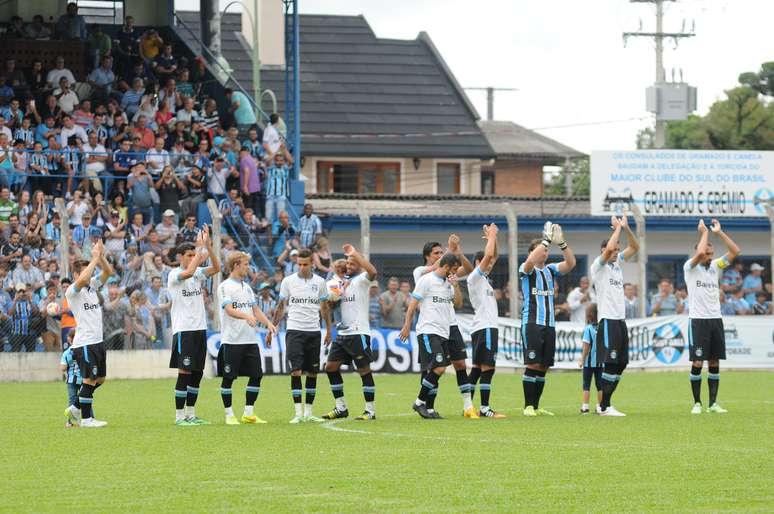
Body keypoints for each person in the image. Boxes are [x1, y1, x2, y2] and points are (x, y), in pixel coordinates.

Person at [412, 235, 477, 418]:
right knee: (433, 368)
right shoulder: (421, 272)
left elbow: (470, 269)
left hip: (450, 324)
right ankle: (428, 406)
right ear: (427, 256)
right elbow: (438, 266)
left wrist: (458, 251)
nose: (440, 255)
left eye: (442, 252)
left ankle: (468, 406)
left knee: (460, 364)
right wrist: (450, 250)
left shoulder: (449, 275)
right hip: (431, 325)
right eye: (436, 253)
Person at [268, 248, 332, 424]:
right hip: (294, 330)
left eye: (305, 264)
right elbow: (281, 306)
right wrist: (272, 327)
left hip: (313, 331)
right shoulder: (288, 281)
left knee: (312, 372)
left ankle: (309, 412)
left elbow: (325, 307)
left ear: (312, 263)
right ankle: (298, 413)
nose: (302, 267)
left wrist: (328, 329)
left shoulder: (320, 282)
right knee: (296, 371)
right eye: (299, 264)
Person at [519, 222, 576, 417]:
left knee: (543, 366)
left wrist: (562, 244)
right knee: (533, 364)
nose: (544, 251)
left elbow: (571, 264)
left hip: (549, 324)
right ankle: (527, 406)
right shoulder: (527, 270)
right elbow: (530, 260)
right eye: (540, 250)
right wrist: (545, 240)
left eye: (545, 249)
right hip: (532, 323)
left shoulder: (550, 270)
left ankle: (536, 406)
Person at [684, 219, 740, 414]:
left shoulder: (716, 266)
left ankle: (713, 404)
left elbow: (735, 252)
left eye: (711, 253)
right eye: (707, 254)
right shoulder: (690, 267)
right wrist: (704, 232)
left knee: (714, 362)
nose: (709, 256)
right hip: (698, 321)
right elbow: (699, 253)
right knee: (698, 362)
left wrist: (719, 233)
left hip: (715, 319)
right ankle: (697, 403)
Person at [216, 252, 277, 425]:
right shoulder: (225, 286)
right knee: (228, 379)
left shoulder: (247, 287)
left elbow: (255, 310)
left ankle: (248, 413)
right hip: (232, 340)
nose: (247, 268)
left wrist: (268, 324)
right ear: (236, 265)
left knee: (256, 375)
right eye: (245, 264)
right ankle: (229, 415)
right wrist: (246, 316)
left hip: (250, 340)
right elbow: (228, 309)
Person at [400, 252, 462, 419]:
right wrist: (406, 326)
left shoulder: (448, 284)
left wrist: (455, 285)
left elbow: (458, 304)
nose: (455, 273)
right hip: (428, 331)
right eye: (454, 270)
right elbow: (412, 305)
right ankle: (420, 402)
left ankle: (427, 407)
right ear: (446, 266)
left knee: (435, 370)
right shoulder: (426, 280)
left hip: (444, 332)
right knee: (439, 368)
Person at [167, 228, 220, 425]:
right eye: (188, 255)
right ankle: (179, 416)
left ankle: (191, 414)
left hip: (199, 329)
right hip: (184, 330)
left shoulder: (198, 273)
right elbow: (189, 271)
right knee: (185, 372)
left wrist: (209, 248)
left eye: (193, 254)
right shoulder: (174, 274)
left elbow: (216, 268)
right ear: (180, 257)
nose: (192, 258)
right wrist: (200, 249)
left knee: (197, 373)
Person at [321, 244, 378, 421]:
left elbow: (373, 271)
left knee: (364, 370)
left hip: (358, 332)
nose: (349, 265)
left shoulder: (362, 280)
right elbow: (330, 305)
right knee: (330, 368)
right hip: (342, 334)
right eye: (347, 262)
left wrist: (356, 254)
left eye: (353, 263)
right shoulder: (339, 284)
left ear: (359, 265)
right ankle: (341, 407)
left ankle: (370, 410)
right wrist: (330, 302)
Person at [590, 215, 640, 417]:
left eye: (618, 251)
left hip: (620, 320)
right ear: (602, 251)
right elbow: (610, 248)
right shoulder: (598, 266)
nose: (615, 253)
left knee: (622, 362)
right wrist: (617, 228)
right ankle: (604, 406)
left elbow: (635, 247)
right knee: (610, 362)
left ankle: (606, 404)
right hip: (608, 319)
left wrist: (626, 228)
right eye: (612, 250)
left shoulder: (617, 264)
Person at [63, 240, 114, 428]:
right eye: (87, 270)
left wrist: (100, 258)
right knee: (89, 380)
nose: (91, 273)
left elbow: (108, 272)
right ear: (76, 274)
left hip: (97, 341)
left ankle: (75, 407)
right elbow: (83, 279)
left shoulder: (92, 286)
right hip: (84, 343)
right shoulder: (72, 291)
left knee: (99, 380)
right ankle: (86, 420)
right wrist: (93, 259)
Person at [466, 223, 505, 418]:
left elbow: (493, 255)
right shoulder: (475, 277)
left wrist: (493, 239)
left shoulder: (483, 280)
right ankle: (484, 408)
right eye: (486, 263)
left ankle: (468, 407)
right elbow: (490, 256)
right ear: (478, 263)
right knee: (488, 368)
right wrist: (491, 236)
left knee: (476, 369)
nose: (490, 264)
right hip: (486, 328)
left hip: (482, 328)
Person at [578, 303, 602, 414]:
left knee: (586, 384)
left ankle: (585, 407)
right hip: (601, 362)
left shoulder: (588, 329)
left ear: (589, 315)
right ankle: (600, 406)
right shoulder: (603, 327)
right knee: (600, 385)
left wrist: (582, 359)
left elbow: (586, 346)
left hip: (588, 362)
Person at [60, 337, 82, 427]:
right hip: (83, 379)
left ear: (69, 339)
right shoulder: (83, 351)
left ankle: (69, 422)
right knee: (85, 399)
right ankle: (88, 418)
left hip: (71, 380)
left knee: (72, 400)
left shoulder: (67, 352)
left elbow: (63, 368)